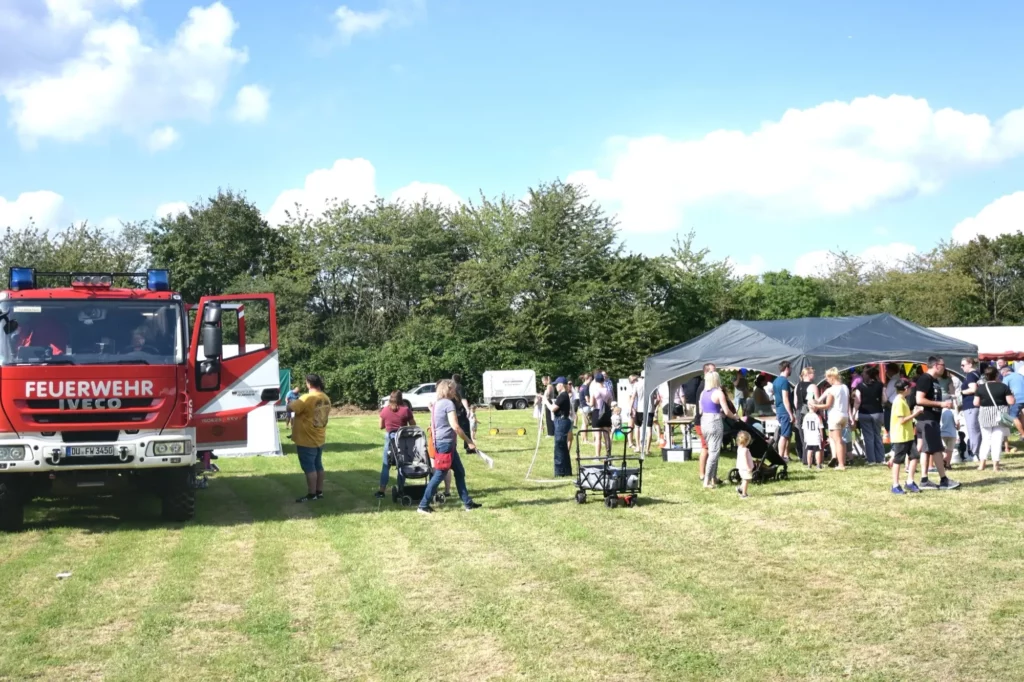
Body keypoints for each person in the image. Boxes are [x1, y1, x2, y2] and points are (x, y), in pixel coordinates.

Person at [418, 379, 481, 514]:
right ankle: (423, 505)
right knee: (440, 474)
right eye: (453, 389)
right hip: (446, 444)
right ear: (447, 390)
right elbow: (456, 426)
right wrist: (469, 441)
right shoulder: (448, 404)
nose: (455, 391)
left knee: (459, 472)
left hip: (443, 443)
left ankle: (468, 503)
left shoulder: (437, 404)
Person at [916, 357, 960, 490]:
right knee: (936, 450)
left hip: (931, 419)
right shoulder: (925, 379)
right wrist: (941, 404)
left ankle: (924, 480)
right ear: (936, 365)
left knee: (926, 450)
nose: (944, 367)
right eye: (943, 365)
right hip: (927, 420)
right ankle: (944, 480)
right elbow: (919, 399)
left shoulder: (934, 380)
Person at [288, 374, 331, 503]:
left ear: (308, 383)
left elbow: (290, 408)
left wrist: (290, 402)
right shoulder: (326, 397)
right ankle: (319, 492)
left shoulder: (307, 397)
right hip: (319, 436)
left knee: (309, 468)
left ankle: (312, 494)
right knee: (318, 466)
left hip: (306, 438)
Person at [975, 365, 1016, 473]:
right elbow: (1011, 402)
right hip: (999, 416)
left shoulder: (981, 387)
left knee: (985, 440)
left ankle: (982, 465)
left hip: (984, 415)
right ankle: (995, 466)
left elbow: (976, 403)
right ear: (997, 375)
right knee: (997, 441)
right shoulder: (1003, 387)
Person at [700, 370, 736, 489]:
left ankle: (714, 478)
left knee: (712, 450)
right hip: (714, 422)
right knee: (714, 453)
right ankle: (707, 481)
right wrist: (735, 417)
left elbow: (702, 410)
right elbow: (727, 411)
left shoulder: (703, 393)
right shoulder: (718, 393)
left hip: (704, 422)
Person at [376, 390, 416, 498]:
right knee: (401, 466)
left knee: (386, 466)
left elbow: (380, 426)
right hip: (402, 440)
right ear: (401, 398)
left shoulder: (385, 410)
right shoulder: (406, 410)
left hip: (389, 439)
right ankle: (401, 490)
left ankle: (381, 491)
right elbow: (413, 425)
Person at [889, 379, 924, 494]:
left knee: (914, 457)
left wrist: (913, 411)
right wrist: (915, 414)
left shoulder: (903, 400)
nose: (911, 389)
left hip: (908, 435)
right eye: (909, 387)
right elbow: (901, 420)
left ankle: (910, 481)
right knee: (898, 461)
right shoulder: (898, 401)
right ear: (905, 389)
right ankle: (895, 485)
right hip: (900, 436)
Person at [854, 366, 886, 465]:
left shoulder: (860, 386)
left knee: (868, 437)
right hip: (877, 412)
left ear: (867, 374)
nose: (862, 375)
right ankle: (880, 458)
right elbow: (885, 399)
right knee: (878, 435)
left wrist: (854, 412)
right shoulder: (880, 385)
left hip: (864, 413)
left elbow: (857, 401)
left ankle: (871, 460)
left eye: (863, 373)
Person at [819, 367, 850, 469]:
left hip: (835, 416)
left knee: (838, 440)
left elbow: (827, 405)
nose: (827, 380)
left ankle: (841, 464)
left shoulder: (832, 390)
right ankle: (842, 461)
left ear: (832, 377)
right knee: (835, 438)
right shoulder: (845, 387)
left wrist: (816, 406)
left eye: (827, 378)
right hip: (844, 415)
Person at [544, 377, 574, 477]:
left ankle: (560, 472)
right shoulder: (563, 395)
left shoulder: (563, 395)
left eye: (557, 384)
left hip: (561, 421)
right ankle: (567, 471)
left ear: (561, 385)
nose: (556, 386)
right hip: (562, 420)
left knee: (559, 447)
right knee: (564, 447)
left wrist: (545, 401)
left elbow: (553, 408)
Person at [959, 358, 981, 462]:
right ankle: (976, 452)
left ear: (970, 364)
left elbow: (973, 389)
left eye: (963, 365)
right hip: (975, 404)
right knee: (976, 429)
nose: (961, 367)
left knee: (973, 430)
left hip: (971, 405)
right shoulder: (977, 374)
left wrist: (962, 392)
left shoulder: (971, 375)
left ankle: (974, 453)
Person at [772, 362, 795, 462]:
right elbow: (785, 398)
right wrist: (790, 413)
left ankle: (786, 455)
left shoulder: (775, 381)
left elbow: (776, 398)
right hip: (785, 411)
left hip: (779, 410)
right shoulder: (784, 382)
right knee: (784, 435)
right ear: (786, 368)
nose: (791, 370)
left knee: (787, 433)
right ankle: (780, 457)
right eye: (790, 368)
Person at [588, 372, 613, 456]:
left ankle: (597, 455)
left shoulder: (594, 391)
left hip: (597, 412)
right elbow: (609, 403)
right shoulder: (608, 390)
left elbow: (592, 404)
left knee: (598, 437)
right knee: (607, 435)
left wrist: (587, 403)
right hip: (606, 413)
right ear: (603, 380)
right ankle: (608, 454)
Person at [999, 364, 1024, 441]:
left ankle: (1023, 435)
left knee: (1013, 417)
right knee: (1022, 415)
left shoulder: (1007, 378)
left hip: (1017, 399)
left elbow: (1003, 389)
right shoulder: (1020, 376)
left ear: (1004, 372)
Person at [801, 399, 824, 469]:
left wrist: (805, 436)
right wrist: (822, 436)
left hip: (808, 436)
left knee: (809, 450)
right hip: (816, 435)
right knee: (817, 450)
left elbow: (804, 428)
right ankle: (818, 464)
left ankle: (809, 465)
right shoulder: (817, 416)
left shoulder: (806, 416)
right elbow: (820, 427)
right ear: (816, 407)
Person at [735, 430, 754, 498]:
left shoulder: (739, 448)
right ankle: (744, 494)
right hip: (745, 468)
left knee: (745, 479)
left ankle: (740, 488)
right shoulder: (745, 450)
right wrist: (748, 467)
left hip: (741, 468)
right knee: (746, 480)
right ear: (746, 441)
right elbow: (745, 459)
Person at [940, 403, 957, 470]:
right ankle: (947, 464)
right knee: (950, 450)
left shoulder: (941, 412)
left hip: (942, 432)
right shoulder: (953, 411)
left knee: (944, 450)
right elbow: (957, 422)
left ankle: (944, 462)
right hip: (951, 433)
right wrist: (957, 427)